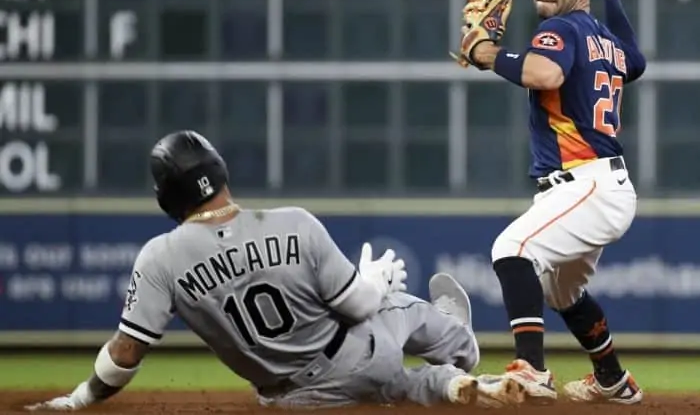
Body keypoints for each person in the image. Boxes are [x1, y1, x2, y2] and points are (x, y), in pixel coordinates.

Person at [25, 130, 523, 412]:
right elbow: (355, 306)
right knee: (398, 306)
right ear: (220, 170)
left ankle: (447, 385)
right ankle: (463, 350)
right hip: (356, 353)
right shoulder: (294, 223)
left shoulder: (159, 258)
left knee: (392, 388)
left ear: (166, 197)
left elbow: (126, 352)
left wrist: (77, 400)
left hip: (293, 400)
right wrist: (370, 283)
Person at [463, 0, 646, 405]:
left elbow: (543, 75)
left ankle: (532, 369)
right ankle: (613, 380)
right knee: (562, 292)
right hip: (593, 186)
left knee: (511, 249)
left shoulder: (559, 28)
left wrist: (487, 54)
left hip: (587, 183)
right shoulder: (601, 34)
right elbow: (635, 62)